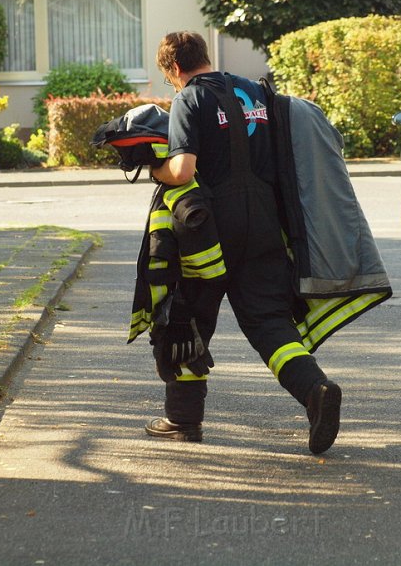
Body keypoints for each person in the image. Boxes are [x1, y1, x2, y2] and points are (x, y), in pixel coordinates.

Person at [147, 31, 343, 454]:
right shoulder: (254, 91)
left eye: (170, 79)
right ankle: (315, 390)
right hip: (266, 222)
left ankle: (183, 420)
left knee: (188, 318)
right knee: (269, 321)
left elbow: (181, 171)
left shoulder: (189, 99)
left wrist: (152, 167)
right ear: (206, 57)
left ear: (175, 69)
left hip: (210, 229)